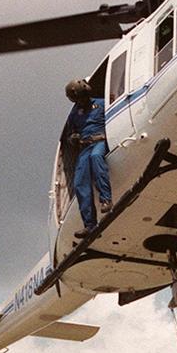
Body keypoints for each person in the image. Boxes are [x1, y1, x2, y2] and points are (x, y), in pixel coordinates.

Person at [62, 79, 112, 237]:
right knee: (79, 182)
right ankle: (90, 224)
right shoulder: (74, 114)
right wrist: (73, 138)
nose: (82, 102)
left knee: (96, 157)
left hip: (100, 141)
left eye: (84, 98)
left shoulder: (102, 104)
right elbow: (69, 136)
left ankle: (106, 200)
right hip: (85, 146)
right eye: (79, 99)